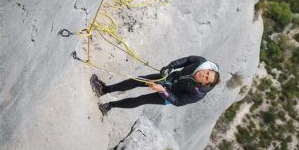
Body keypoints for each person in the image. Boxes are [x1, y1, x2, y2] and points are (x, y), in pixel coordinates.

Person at [90, 56, 220, 115]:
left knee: (141, 100)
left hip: (169, 94)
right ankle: (104, 90)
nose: (204, 75)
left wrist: (163, 91)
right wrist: (169, 67)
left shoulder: (198, 93)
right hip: (168, 78)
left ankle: (109, 106)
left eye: (207, 78)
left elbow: (178, 101)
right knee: (138, 80)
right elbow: (186, 60)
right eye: (207, 72)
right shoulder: (200, 62)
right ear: (207, 69)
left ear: (205, 84)